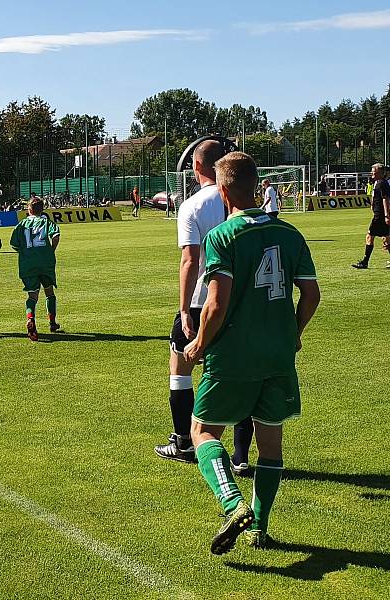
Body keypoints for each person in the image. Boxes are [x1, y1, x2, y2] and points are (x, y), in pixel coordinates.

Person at [182, 151, 320, 554]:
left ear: (223, 192)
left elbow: (216, 304)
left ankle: (232, 503)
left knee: (203, 431)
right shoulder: (290, 234)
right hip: (278, 357)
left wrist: (199, 343)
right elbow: (311, 294)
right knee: (270, 443)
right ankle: (259, 527)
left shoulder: (222, 237)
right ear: (259, 187)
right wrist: (292, 333)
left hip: (233, 357)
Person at [155, 140, 254, 471]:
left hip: (201, 300)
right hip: (240, 299)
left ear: (197, 167)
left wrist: (184, 308)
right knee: (241, 371)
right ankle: (241, 455)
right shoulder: (244, 200)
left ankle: (184, 440)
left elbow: (190, 259)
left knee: (180, 369)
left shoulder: (193, 206)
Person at [10, 196, 61, 341]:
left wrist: (26, 252)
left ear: (29, 209)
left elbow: (14, 244)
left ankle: (31, 318)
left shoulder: (21, 224)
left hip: (28, 264)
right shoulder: (46, 222)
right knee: (49, 292)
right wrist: (51, 250)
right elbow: (56, 235)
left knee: (32, 296)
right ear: (42, 209)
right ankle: (52, 323)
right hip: (46, 262)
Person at [351, 163, 390, 269]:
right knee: (386, 238)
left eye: (374, 171)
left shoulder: (382, 183)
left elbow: (385, 199)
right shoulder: (378, 182)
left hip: (380, 216)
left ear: (380, 173)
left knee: (370, 236)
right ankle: (365, 262)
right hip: (379, 214)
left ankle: (365, 262)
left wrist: (387, 215)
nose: (371, 173)